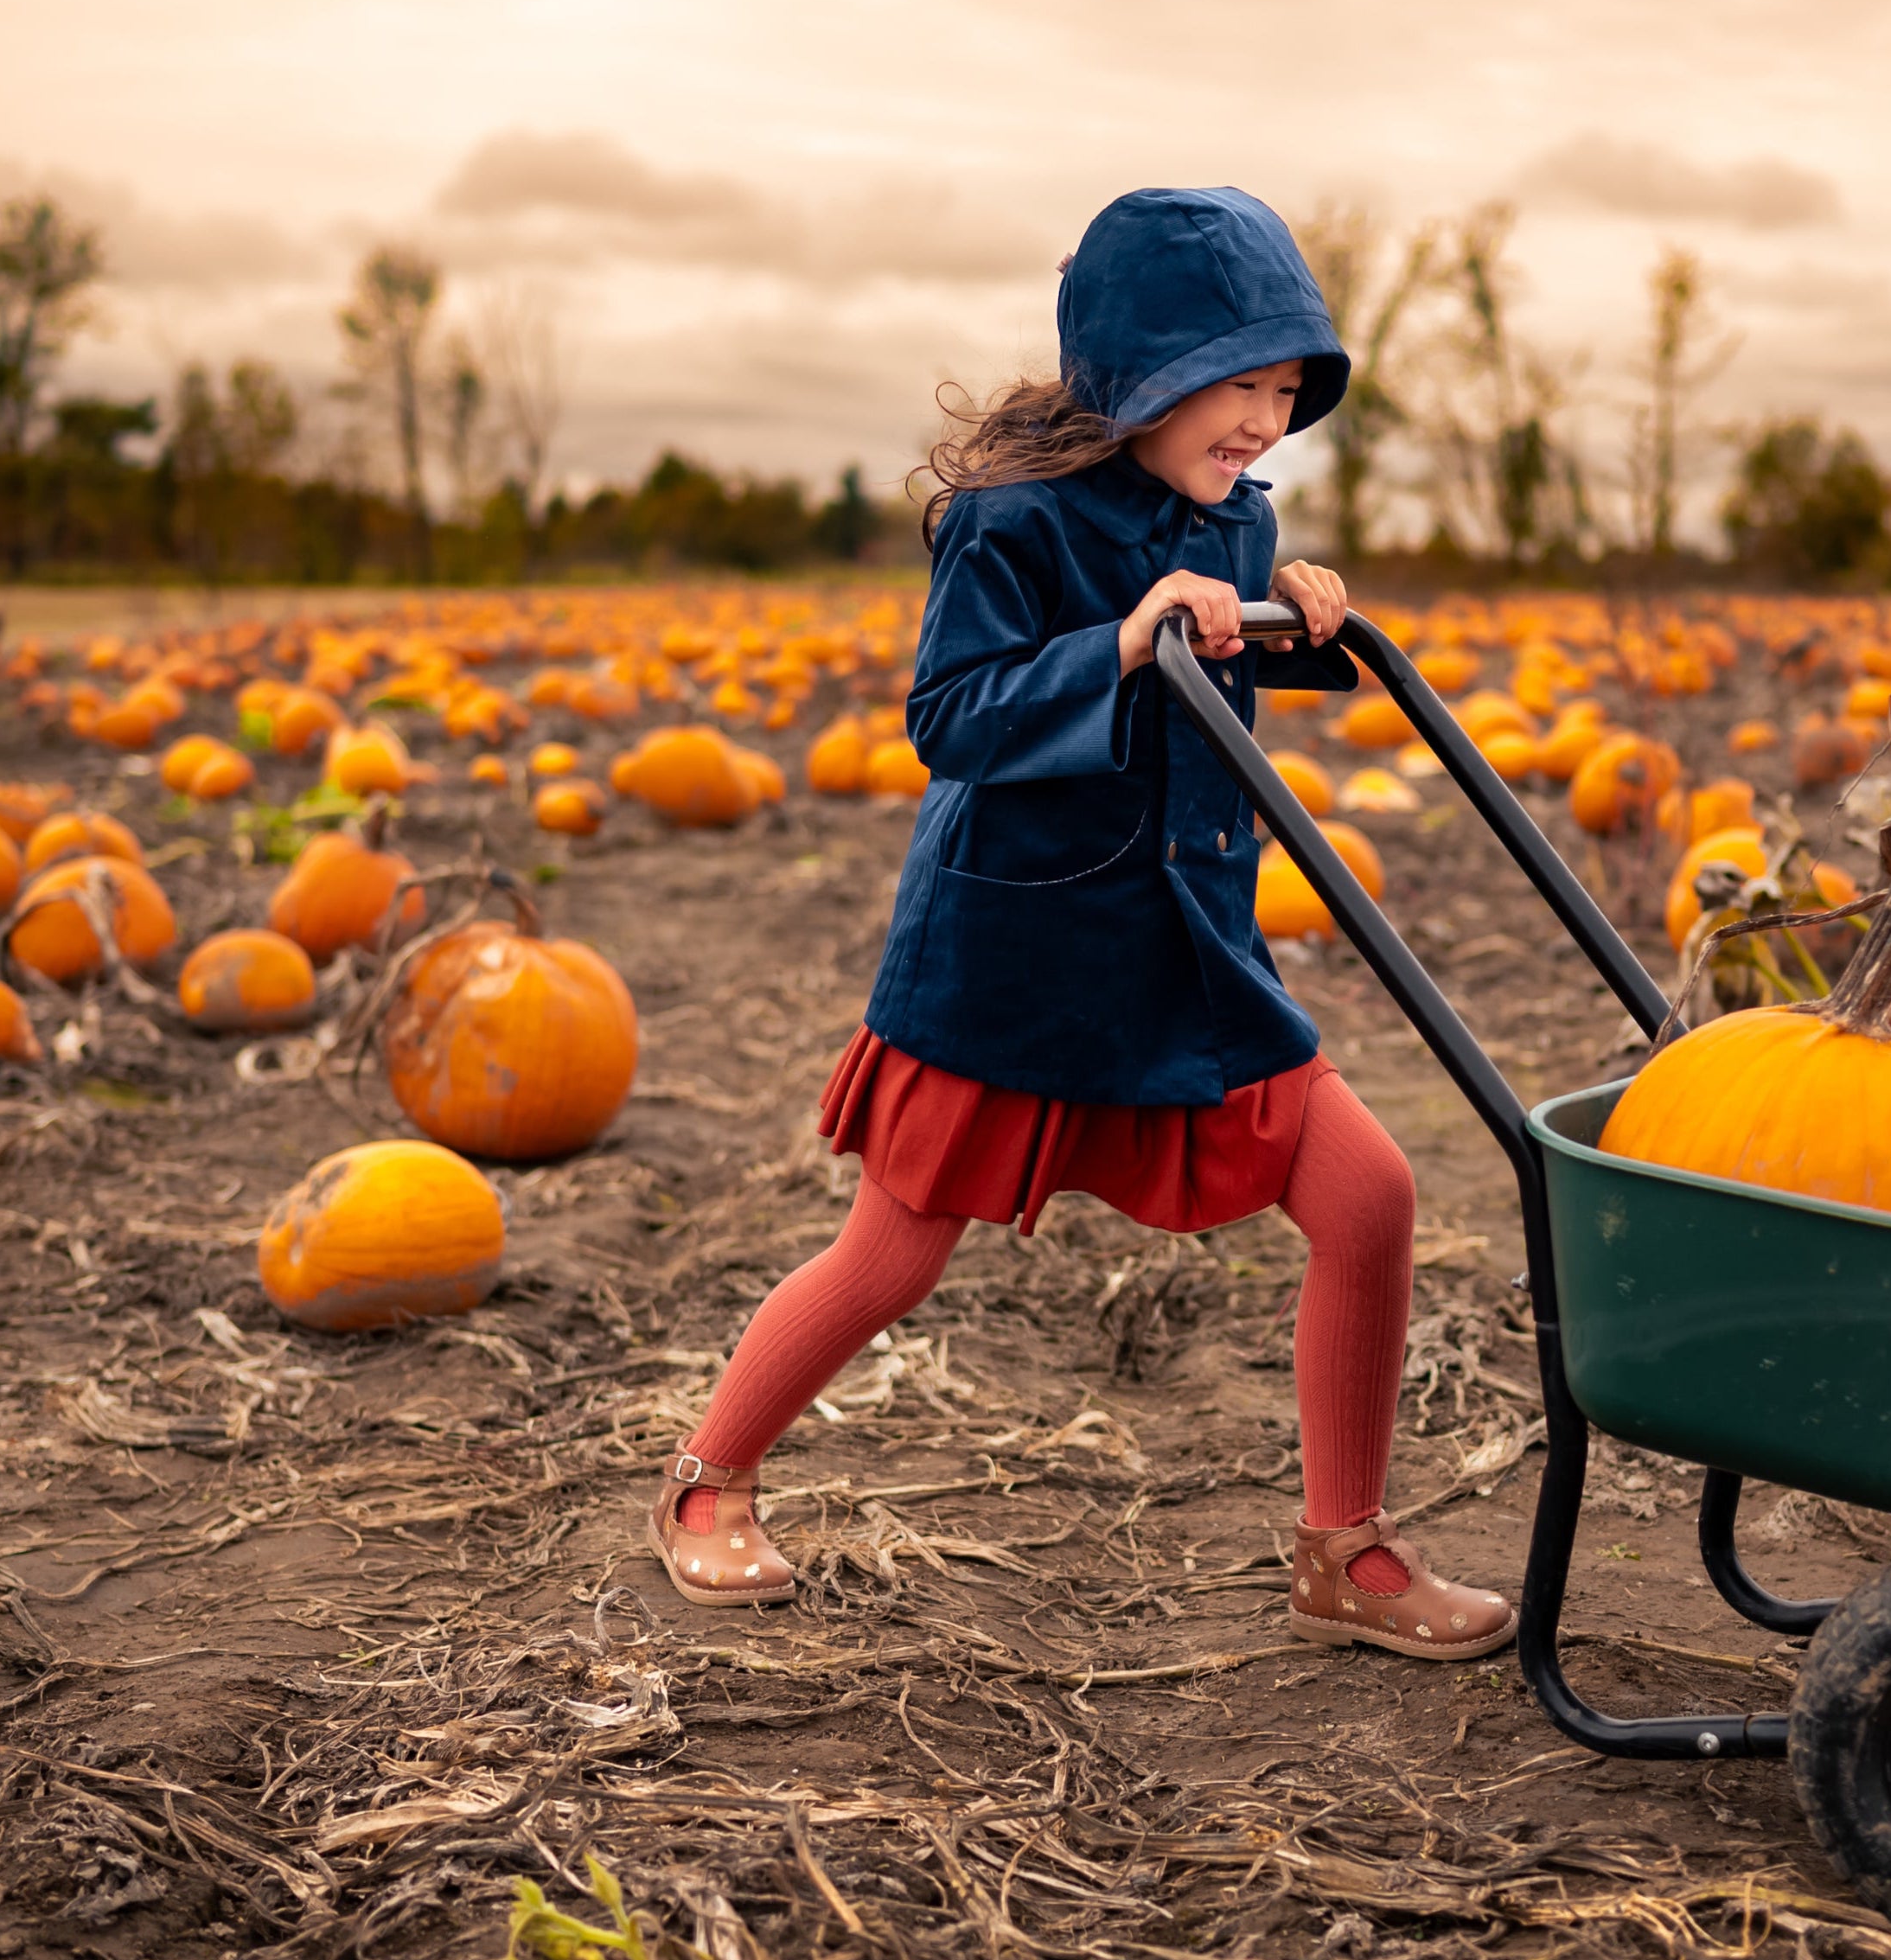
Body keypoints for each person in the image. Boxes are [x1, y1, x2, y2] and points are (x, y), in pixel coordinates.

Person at [648, 186, 1514, 1662]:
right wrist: (1116, 639)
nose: (1266, 417)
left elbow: (1213, 662)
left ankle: (1343, 1548)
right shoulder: (1011, 521)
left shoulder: (1235, 516)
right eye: (1240, 383)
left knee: (1367, 1199)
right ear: (1145, 373)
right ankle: (705, 1482)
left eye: (1287, 392)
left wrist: (1300, 624)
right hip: (1020, 962)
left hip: (1186, 949)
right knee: (893, 1259)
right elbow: (950, 718)